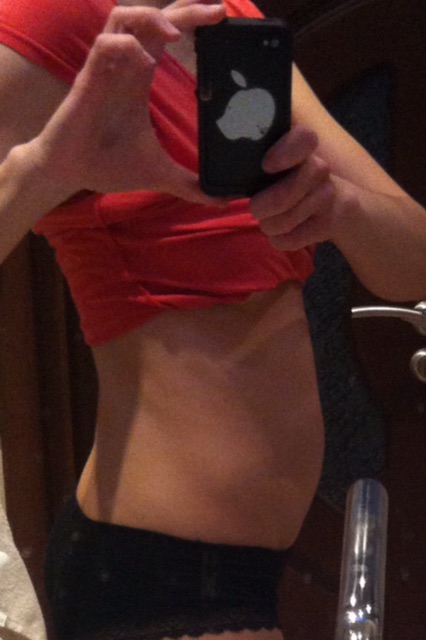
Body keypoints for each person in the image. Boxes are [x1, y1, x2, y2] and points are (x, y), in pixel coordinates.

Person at [0, 0, 426, 639]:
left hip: (239, 574)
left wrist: (339, 205)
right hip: (158, 576)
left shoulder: (232, 23)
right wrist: (42, 172)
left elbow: (415, 264)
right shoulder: (47, 18)